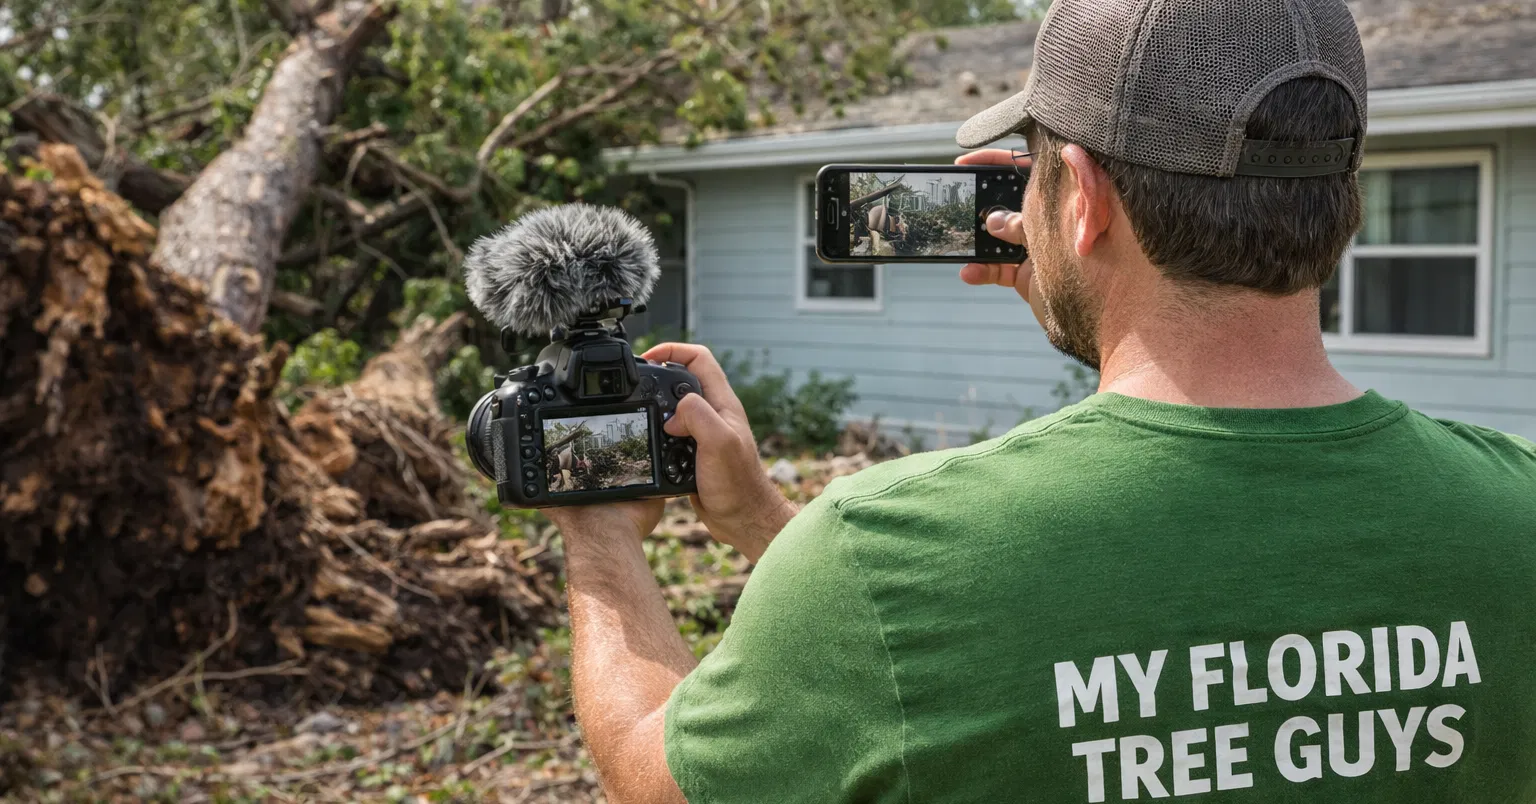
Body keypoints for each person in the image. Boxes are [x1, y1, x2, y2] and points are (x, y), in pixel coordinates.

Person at [541, 0, 1536, 800]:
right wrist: (763, 521)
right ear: (1343, 195)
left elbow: (652, 772)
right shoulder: (1515, 510)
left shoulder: (879, 555)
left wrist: (599, 532)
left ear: (1085, 198)